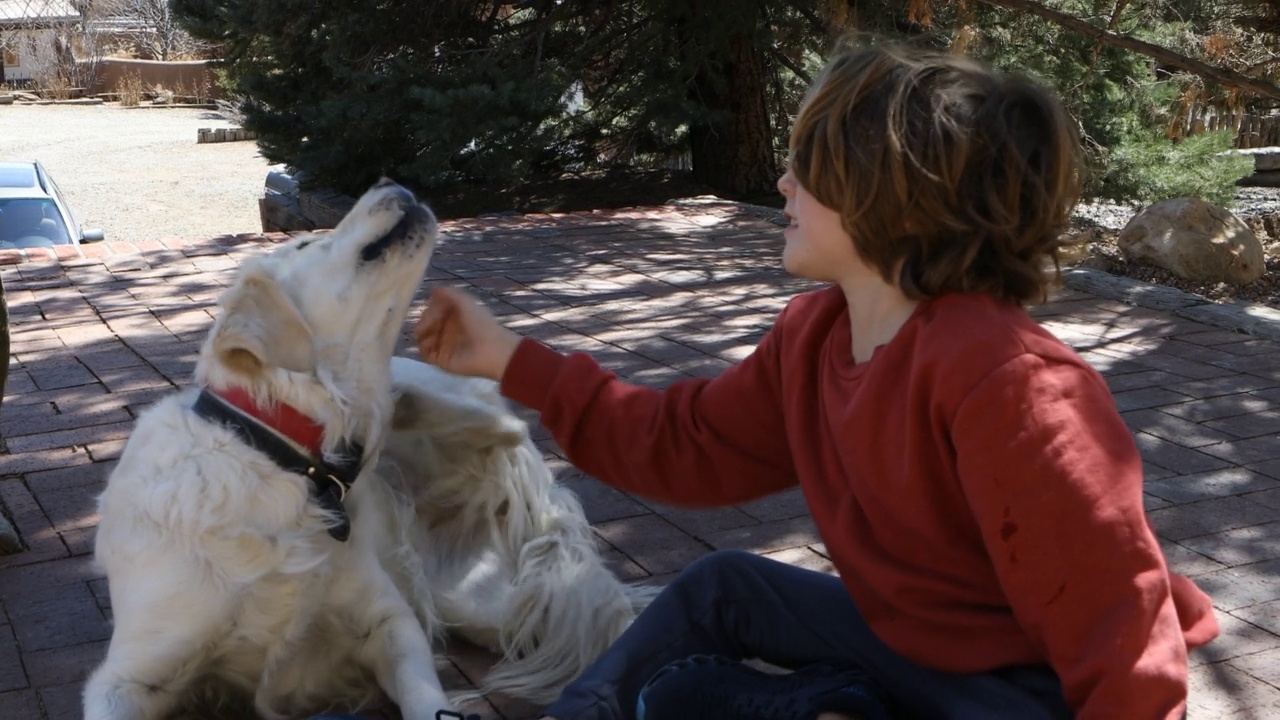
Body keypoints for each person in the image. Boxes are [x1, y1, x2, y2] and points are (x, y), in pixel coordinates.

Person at [412, 40, 1219, 720]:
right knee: (723, 585)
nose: (783, 183)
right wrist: (512, 359)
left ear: (893, 195)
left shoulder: (1014, 386)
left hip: (1020, 694)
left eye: (806, 164)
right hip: (908, 648)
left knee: (693, 696)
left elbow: (1121, 623)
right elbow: (684, 445)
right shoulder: (817, 336)